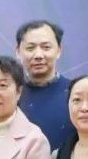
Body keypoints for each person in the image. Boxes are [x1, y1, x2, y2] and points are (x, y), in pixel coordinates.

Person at [16, 20, 74, 151]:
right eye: (30, 48)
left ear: (59, 50)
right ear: (18, 51)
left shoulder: (76, 93)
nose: (38, 55)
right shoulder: (10, 95)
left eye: (46, 47)